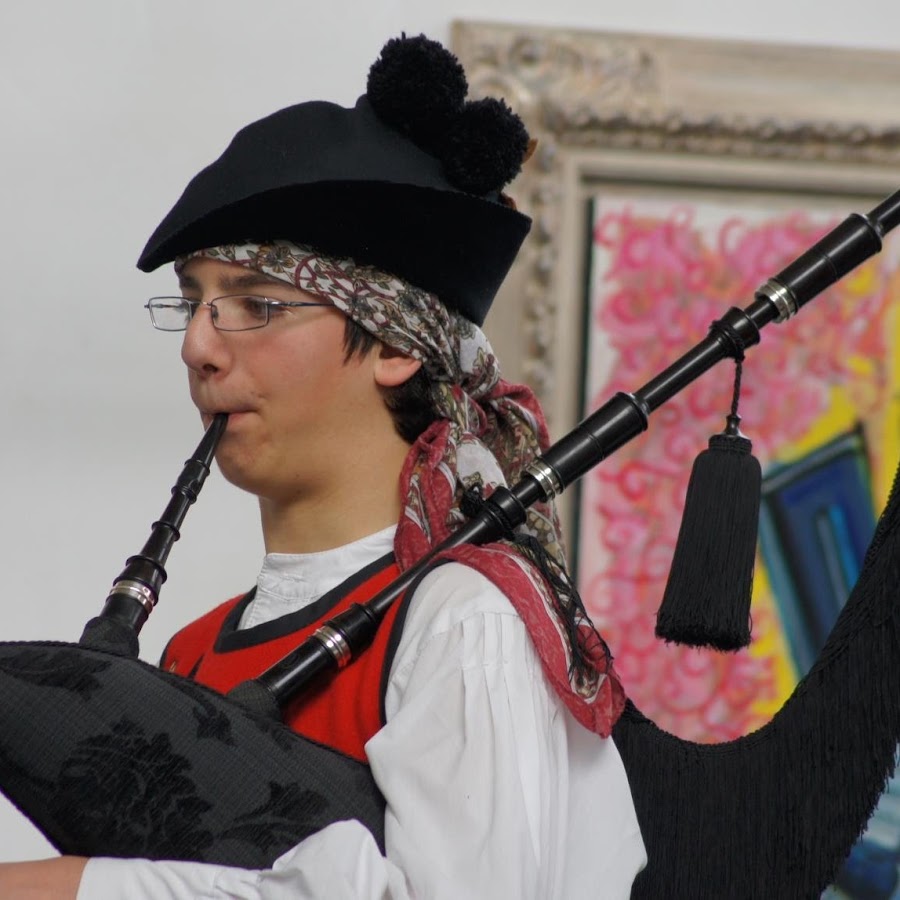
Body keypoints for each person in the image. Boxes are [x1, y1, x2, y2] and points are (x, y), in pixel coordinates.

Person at [0, 33, 645, 899]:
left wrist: (74, 890)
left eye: (255, 305)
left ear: (394, 344)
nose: (198, 347)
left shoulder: (465, 623)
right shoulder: (194, 651)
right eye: (193, 304)